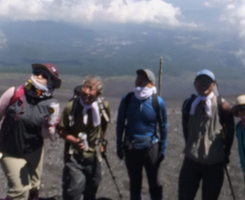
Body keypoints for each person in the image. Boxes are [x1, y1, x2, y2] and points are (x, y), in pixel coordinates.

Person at [0, 63, 62, 200]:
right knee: (20, 191)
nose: (39, 76)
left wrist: (49, 127)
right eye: (37, 72)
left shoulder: (51, 104)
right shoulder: (15, 93)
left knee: (34, 187)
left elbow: (45, 135)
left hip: (34, 151)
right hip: (9, 150)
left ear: (51, 82)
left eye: (44, 76)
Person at [178, 69, 235, 200]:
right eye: (200, 81)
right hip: (191, 161)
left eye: (207, 81)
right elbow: (186, 128)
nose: (203, 83)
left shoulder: (223, 107)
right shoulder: (188, 104)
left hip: (214, 164)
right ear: (195, 84)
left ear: (214, 85)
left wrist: (225, 153)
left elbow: (231, 132)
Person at [116, 69, 168, 200]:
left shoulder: (158, 102)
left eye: (144, 78)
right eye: (138, 77)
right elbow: (120, 123)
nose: (139, 80)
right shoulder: (127, 99)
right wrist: (119, 145)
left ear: (151, 83)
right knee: (134, 183)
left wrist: (163, 148)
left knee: (154, 183)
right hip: (131, 147)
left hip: (151, 147)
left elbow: (163, 126)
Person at [57, 75, 111, 200]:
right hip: (74, 155)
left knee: (92, 186)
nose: (86, 92)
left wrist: (101, 142)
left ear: (98, 93)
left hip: (94, 155)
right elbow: (60, 130)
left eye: (91, 89)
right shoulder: (71, 107)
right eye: (85, 87)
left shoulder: (103, 106)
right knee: (74, 189)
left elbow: (105, 123)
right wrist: (75, 141)